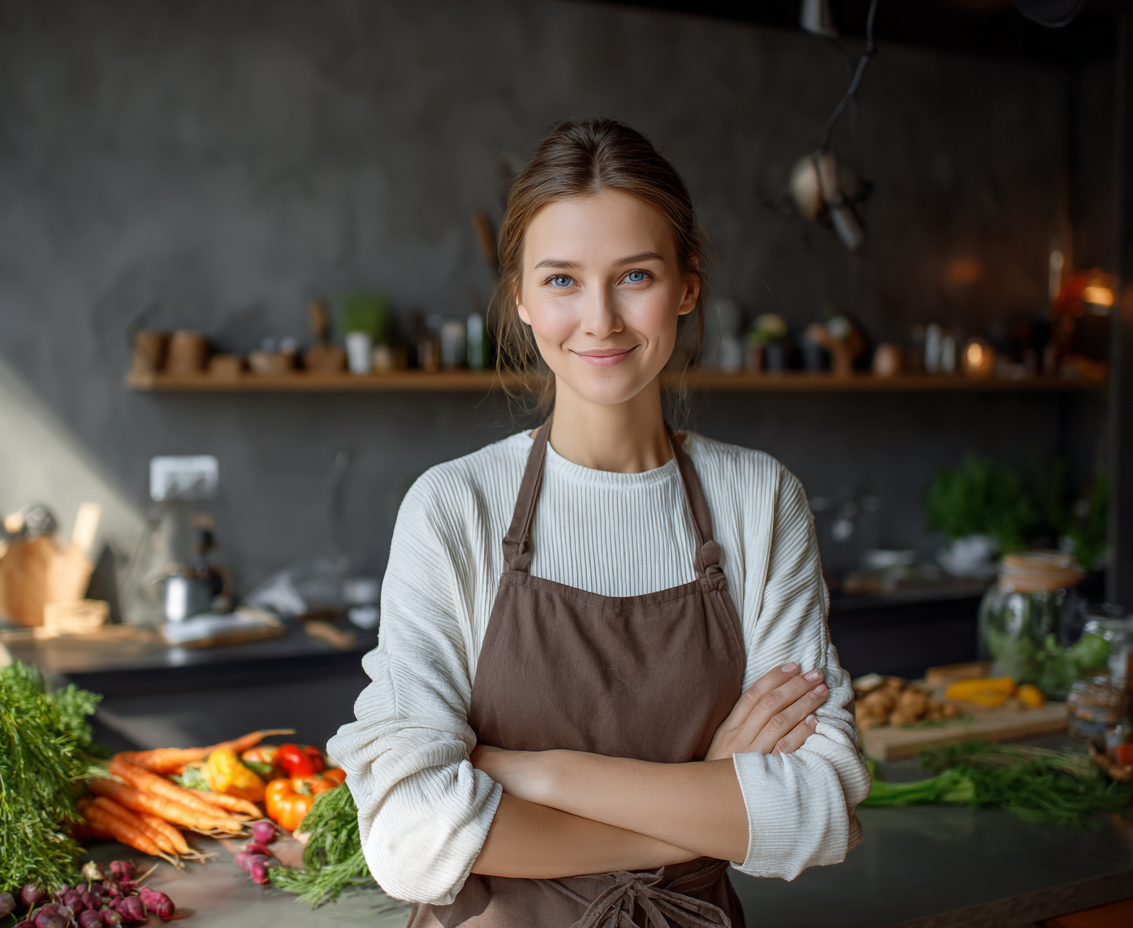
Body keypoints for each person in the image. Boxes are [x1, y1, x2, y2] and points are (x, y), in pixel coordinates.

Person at [327, 119, 869, 927]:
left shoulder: (760, 501)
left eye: (635, 275)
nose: (601, 319)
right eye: (561, 280)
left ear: (687, 285)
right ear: (520, 296)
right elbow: (411, 837)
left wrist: (536, 775)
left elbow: (820, 810)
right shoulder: (454, 509)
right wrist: (702, 809)